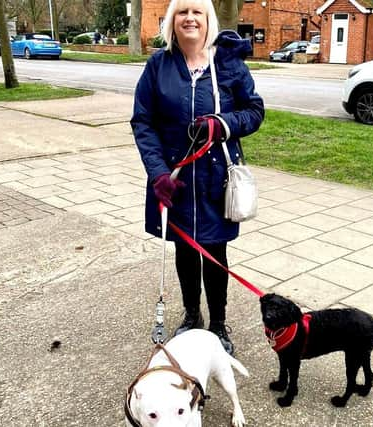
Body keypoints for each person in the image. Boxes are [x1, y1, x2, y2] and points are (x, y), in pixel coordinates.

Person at [130, 0, 264, 355]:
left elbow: (254, 111)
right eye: (182, 12)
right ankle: (192, 316)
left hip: (215, 181)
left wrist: (222, 125)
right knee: (185, 252)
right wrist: (158, 172)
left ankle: (218, 323)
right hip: (173, 181)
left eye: (198, 12)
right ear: (172, 22)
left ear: (209, 21)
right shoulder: (158, 65)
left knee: (215, 251)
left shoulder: (228, 65)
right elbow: (143, 122)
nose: (190, 18)